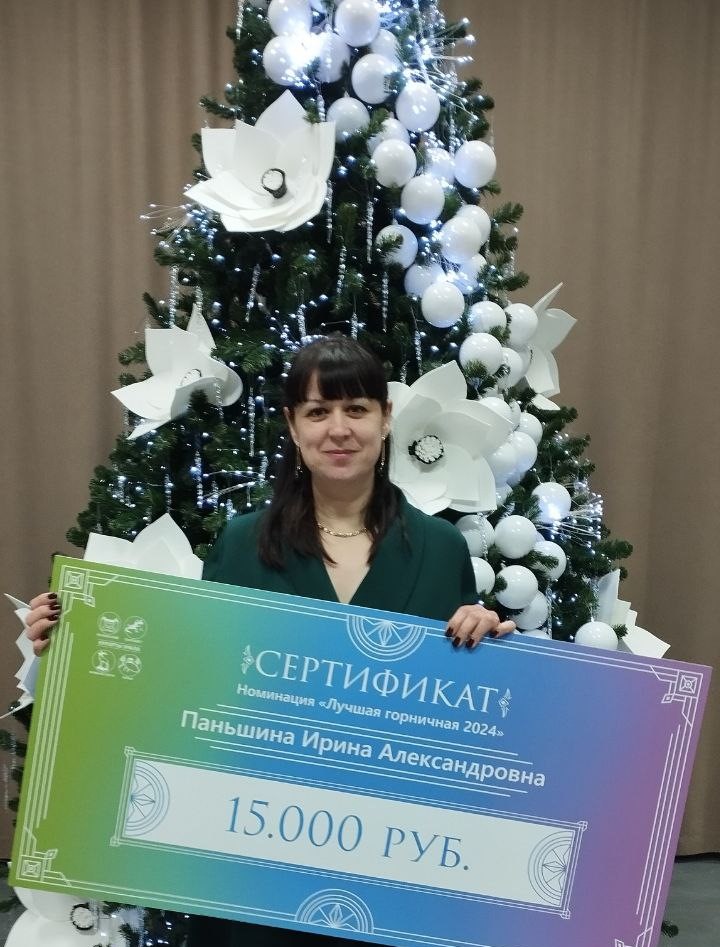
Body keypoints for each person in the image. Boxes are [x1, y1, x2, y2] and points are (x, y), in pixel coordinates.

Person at [23, 335, 515, 946]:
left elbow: (461, 718)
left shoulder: (441, 549)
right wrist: (73, 649)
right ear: (293, 424)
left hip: (391, 862)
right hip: (255, 860)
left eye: (357, 409)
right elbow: (184, 684)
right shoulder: (242, 544)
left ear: (386, 418)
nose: (339, 429)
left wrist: (491, 647)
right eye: (318, 411)